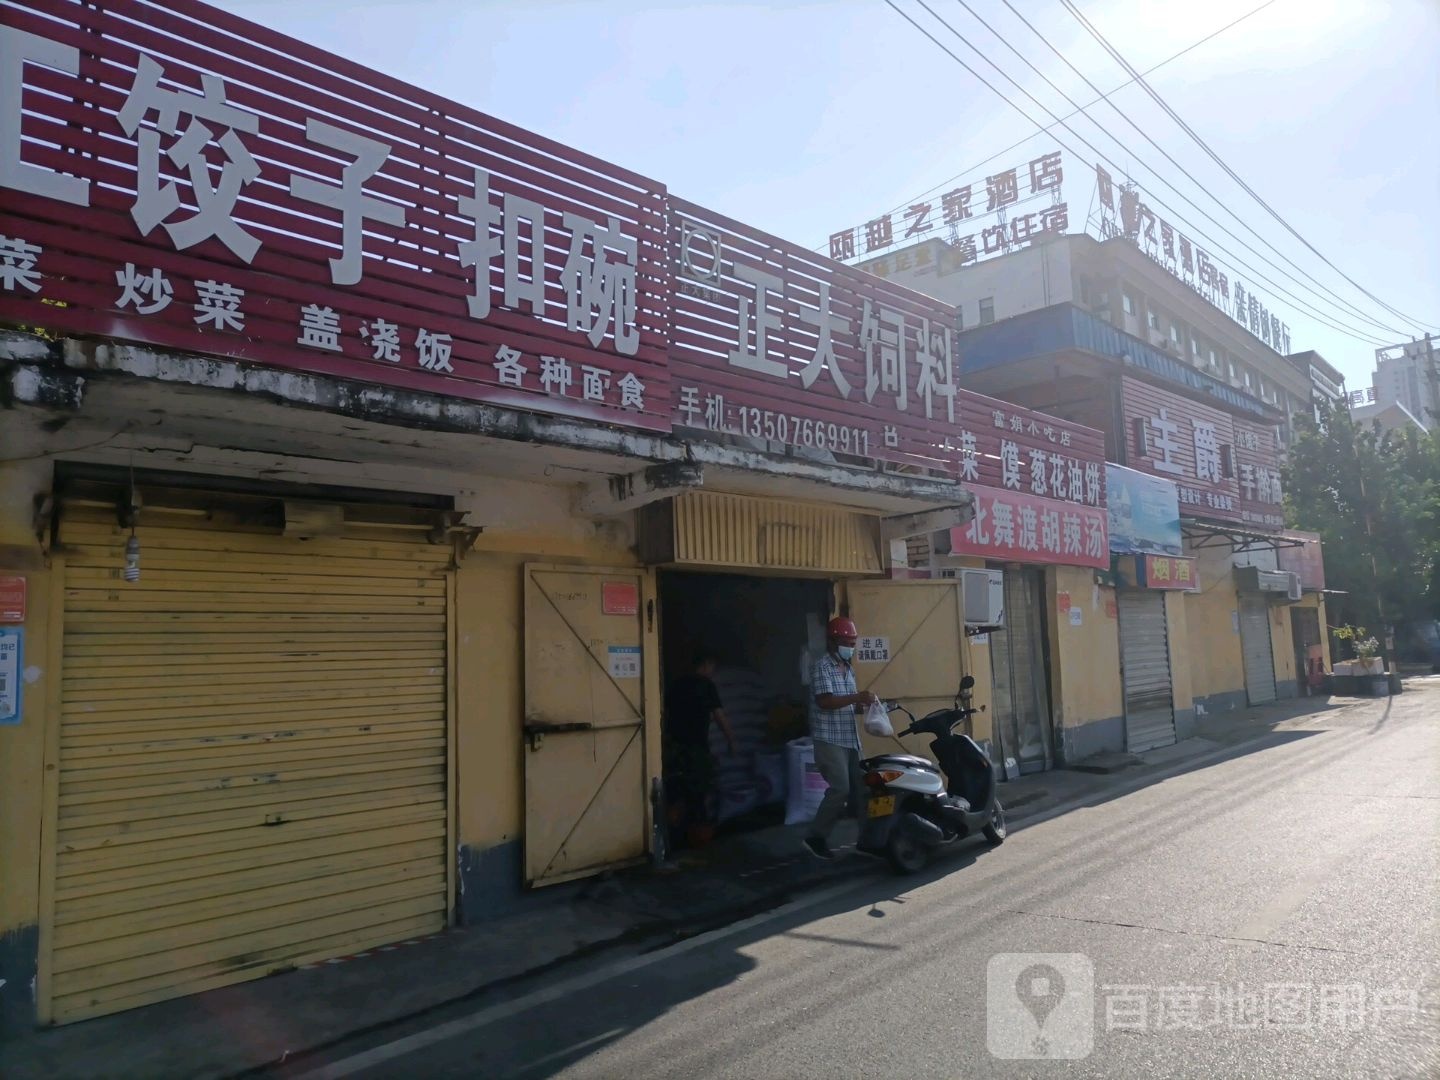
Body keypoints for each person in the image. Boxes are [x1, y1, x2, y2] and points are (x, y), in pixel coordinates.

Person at [803, 616, 877, 860]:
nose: (851, 647)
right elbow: (825, 701)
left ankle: (870, 838)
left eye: (853, 642)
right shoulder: (822, 666)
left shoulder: (849, 669)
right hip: (830, 739)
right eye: (847, 642)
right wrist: (857, 697)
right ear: (834, 641)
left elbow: (845, 703)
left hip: (850, 738)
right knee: (840, 789)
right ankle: (816, 837)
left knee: (864, 788)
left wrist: (868, 706)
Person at [663, 652, 736, 848]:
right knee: (698, 793)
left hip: (674, 748)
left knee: (675, 792)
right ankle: (698, 841)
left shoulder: (676, 684)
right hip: (697, 749)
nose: (713, 672)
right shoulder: (706, 685)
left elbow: (663, 714)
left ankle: (670, 839)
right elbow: (720, 716)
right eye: (712, 667)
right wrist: (731, 741)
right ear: (707, 665)